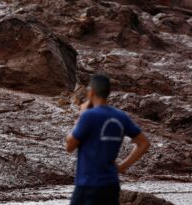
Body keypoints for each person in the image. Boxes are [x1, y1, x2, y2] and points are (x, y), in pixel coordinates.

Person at [65, 74, 151, 205]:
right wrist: (122, 167)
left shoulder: (88, 116)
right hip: (111, 185)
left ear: (91, 92)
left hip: (88, 185)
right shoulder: (121, 116)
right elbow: (144, 143)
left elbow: (69, 146)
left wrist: (80, 118)